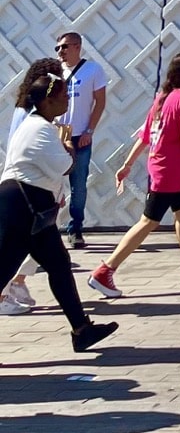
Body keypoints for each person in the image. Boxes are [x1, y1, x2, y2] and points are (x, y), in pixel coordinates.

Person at [89, 53, 180, 299]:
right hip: (170, 173)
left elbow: (145, 136)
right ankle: (105, 270)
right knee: (148, 221)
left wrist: (128, 164)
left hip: (164, 169)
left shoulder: (163, 99)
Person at [0, 67, 117, 352]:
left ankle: (82, 330)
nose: (68, 100)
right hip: (19, 210)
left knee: (60, 266)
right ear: (46, 101)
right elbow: (65, 166)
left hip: (33, 212)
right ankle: (81, 329)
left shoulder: (39, 124)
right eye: (64, 95)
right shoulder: (39, 128)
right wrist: (67, 145)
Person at [1, 58, 62, 315]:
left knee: (56, 261)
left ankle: (81, 327)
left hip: (30, 193)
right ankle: (12, 287)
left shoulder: (26, 111)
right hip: (30, 194)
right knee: (11, 256)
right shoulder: (31, 116)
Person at [54, 30, 107, 249]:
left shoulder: (93, 70)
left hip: (80, 135)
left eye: (64, 47)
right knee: (52, 183)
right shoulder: (54, 73)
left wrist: (90, 131)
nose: (61, 52)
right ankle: (48, 228)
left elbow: (100, 102)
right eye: (57, 48)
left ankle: (76, 228)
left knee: (79, 185)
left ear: (77, 46)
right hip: (59, 132)